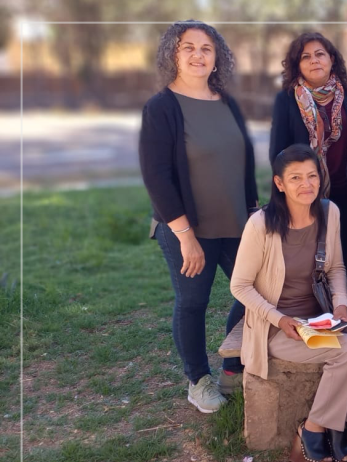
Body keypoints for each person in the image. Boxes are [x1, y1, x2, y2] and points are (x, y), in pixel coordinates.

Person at [230, 144, 347, 462]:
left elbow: (337, 268)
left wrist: (341, 305)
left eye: (312, 176)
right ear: (280, 183)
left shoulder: (330, 212)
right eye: (295, 178)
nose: (306, 184)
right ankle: (312, 428)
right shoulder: (261, 224)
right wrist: (280, 319)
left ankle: (337, 427)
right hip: (278, 328)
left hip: (319, 319)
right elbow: (239, 285)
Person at [139, 20, 257, 413]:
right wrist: (185, 236)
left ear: (216, 56)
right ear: (173, 54)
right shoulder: (161, 108)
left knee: (257, 293)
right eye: (187, 47)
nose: (197, 55)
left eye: (206, 48)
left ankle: (231, 368)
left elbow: (244, 162)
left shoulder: (227, 103)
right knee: (193, 301)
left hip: (238, 224)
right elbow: (156, 177)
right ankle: (198, 380)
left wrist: (255, 214)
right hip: (187, 228)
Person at [270, 32, 347, 271]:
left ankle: (339, 305)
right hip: (307, 192)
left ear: (331, 59)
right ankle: (310, 304)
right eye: (306, 57)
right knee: (308, 257)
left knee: (342, 255)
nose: (314, 60)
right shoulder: (286, 100)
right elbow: (278, 152)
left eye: (319, 54)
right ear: (297, 65)